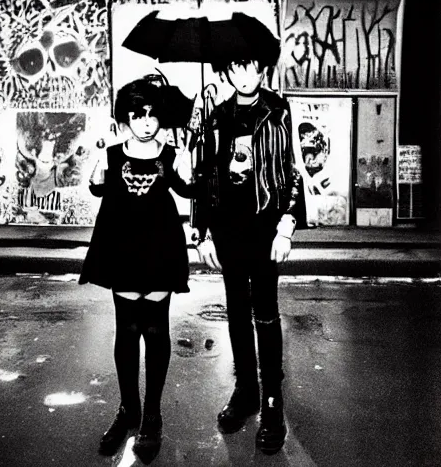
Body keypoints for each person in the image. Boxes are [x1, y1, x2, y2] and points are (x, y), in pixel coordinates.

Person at [79, 76, 194, 463]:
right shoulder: (112, 154)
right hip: (123, 250)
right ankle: (128, 409)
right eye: (138, 115)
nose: (146, 122)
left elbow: (188, 190)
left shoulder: (170, 154)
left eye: (153, 115)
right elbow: (98, 189)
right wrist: (97, 163)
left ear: (161, 118)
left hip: (160, 250)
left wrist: (187, 162)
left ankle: (152, 414)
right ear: (126, 118)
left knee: (155, 328)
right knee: (127, 330)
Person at [193, 54, 304, 455]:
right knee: (236, 312)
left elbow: (292, 170)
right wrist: (201, 232)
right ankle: (246, 392)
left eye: (250, 67)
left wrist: (287, 224)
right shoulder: (217, 116)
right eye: (235, 67)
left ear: (262, 71)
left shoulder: (278, 110)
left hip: (265, 226)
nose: (243, 75)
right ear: (228, 72)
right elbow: (203, 174)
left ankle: (272, 399)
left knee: (266, 312)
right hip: (228, 230)